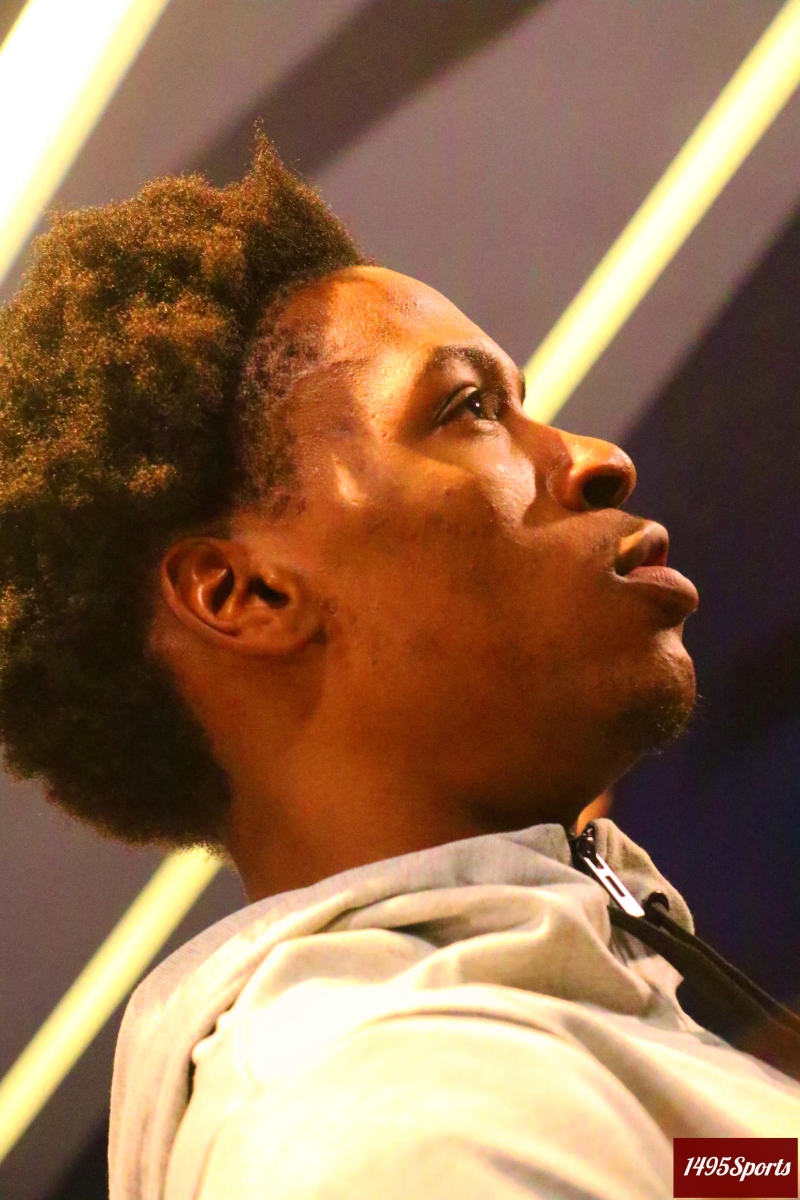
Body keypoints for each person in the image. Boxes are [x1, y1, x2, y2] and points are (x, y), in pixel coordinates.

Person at [0, 140, 797, 1200]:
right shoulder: (401, 1137)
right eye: (470, 410)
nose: (595, 458)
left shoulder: (545, 1045)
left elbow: (721, 1176)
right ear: (246, 593)